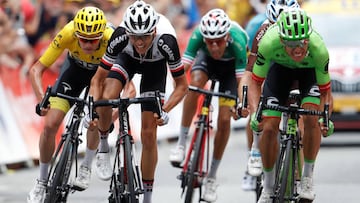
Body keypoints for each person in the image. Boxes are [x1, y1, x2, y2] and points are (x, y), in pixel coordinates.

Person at [91, 1, 188, 203]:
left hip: (155, 67)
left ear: (154, 31)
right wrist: (95, 106)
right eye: (134, 36)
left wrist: (164, 110)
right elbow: (98, 79)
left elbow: (182, 86)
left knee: (148, 133)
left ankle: (147, 198)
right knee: (108, 94)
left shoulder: (167, 41)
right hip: (127, 60)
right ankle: (103, 147)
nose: (140, 42)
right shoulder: (120, 37)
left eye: (144, 36)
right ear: (128, 32)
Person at [27, 6, 114, 203]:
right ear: (76, 33)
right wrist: (42, 99)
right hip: (74, 72)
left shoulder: (111, 37)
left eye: (93, 40)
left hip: (100, 75)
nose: (88, 44)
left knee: (95, 115)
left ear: (102, 35)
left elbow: (123, 72)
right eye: (83, 39)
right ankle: (41, 182)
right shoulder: (67, 32)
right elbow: (36, 70)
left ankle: (86, 166)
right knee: (50, 125)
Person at [248, 8, 334, 203]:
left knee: (311, 117)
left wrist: (325, 118)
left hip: (308, 74)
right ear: (281, 40)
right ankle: (268, 187)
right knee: (269, 125)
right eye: (292, 44)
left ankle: (307, 178)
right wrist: (255, 113)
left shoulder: (318, 48)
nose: (298, 49)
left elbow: (325, 92)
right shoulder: (268, 42)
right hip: (279, 73)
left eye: (302, 42)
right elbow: (255, 82)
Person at [169, 8, 249, 202]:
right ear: (203, 37)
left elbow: (241, 82)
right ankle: (181, 144)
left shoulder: (239, 41)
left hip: (231, 71)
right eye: (209, 41)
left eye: (219, 41)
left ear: (227, 36)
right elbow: (182, 69)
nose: (214, 47)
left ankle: (212, 176)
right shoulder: (197, 35)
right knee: (193, 85)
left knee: (223, 119)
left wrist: (240, 105)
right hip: (207, 65)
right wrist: (177, 87)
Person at [241, 0, 300, 191]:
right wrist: (249, 103)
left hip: (294, 68)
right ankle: (255, 152)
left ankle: (299, 169)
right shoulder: (258, 29)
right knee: (258, 110)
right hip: (268, 67)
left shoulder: (302, 28)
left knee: (303, 119)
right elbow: (250, 74)